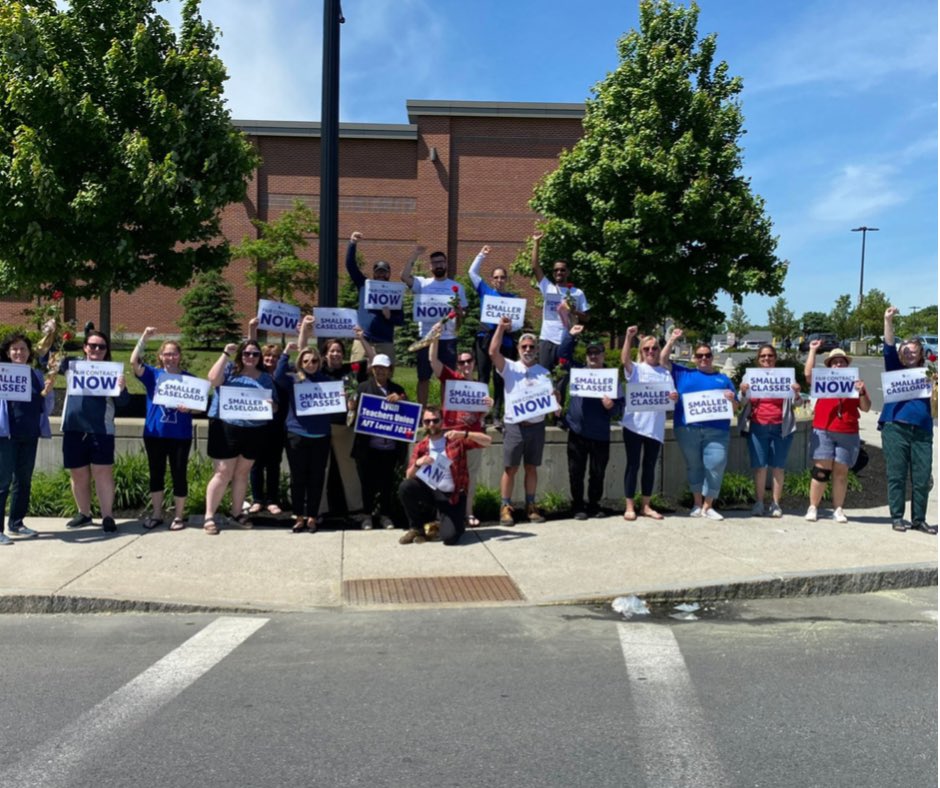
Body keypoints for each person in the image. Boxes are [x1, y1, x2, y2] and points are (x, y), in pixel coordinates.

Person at [301, 316, 374, 523]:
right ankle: (318, 510)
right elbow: (303, 358)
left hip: (345, 427)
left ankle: (357, 509)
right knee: (320, 469)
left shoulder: (351, 370)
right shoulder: (319, 370)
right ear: (324, 354)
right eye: (331, 351)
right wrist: (305, 332)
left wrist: (362, 339)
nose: (335, 354)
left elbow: (372, 361)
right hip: (321, 427)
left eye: (339, 351)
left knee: (349, 468)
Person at [660, 329, 737, 521]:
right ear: (694, 358)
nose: (704, 358)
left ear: (713, 357)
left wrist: (731, 399)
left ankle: (708, 505)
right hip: (687, 428)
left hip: (717, 430)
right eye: (700, 356)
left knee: (716, 464)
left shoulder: (723, 379)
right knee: (694, 466)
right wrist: (672, 340)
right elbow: (662, 360)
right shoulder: (683, 373)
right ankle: (696, 503)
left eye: (707, 355)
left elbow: (735, 406)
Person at [490, 316, 559, 526]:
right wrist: (501, 328)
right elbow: (493, 352)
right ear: (519, 349)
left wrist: (557, 401)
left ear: (537, 349)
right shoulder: (509, 367)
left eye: (531, 347)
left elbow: (553, 399)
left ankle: (531, 505)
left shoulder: (544, 373)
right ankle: (505, 506)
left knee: (531, 467)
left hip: (537, 427)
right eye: (524, 346)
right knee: (510, 468)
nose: (528, 350)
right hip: (514, 426)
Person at [203, 339, 277, 535]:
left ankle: (236, 514)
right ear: (240, 355)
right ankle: (209, 515)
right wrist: (225, 353)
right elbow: (213, 380)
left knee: (242, 473)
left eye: (255, 354)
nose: (250, 357)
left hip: (254, 430)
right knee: (222, 473)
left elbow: (275, 405)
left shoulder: (265, 378)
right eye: (246, 353)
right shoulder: (229, 370)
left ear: (260, 357)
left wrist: (272, 405)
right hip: (226, 427)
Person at [59, 330, 130, 533]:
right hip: (73, 428)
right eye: (92, 345)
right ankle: (84, 513)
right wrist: (51, 332)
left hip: (101, 429)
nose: (96, 349)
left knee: (103, 473)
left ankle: (108, 516)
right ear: (85, 347)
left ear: (106, 351)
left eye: (101, 346)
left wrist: (122, 388)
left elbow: (124, 402)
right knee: (78, 474)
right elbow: (46, 359)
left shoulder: (113, 371)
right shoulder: (71, 366)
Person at [398, 405, 493, 546]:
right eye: (427, 421)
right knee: (406, 486)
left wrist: (465, 434)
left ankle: (453, 523)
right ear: (423, 423)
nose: (431, 424)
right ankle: (417, 528)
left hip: (452, 496)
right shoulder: (422, 446)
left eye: (435, 420)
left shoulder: (455, 439)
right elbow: (408, 475)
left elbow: (487, 441)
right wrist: (418, 463)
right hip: (432, 493)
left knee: (449, 538)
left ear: (442, 421)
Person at [129, 327, 194, 531]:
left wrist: (190, 408)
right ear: (161, 356)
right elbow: (134, 362)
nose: (170, 357)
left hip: (180, 435)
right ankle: (157, 514)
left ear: (179, 356)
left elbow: (200, 407)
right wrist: (144, 338)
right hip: (155, 434)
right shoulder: (153, 375)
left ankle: (178, 516)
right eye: (167, 354)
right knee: (156, 473)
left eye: (174, 353)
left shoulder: (189, 379)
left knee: (179, 474)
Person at [803, 341, 871, 523]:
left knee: (841, 471)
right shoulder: (823, 379)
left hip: (847, 430)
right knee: (820, 471)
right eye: (835, 362)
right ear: (829, 365)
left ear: (847, 365)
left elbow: (866, 408)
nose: (838, 364)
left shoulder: (856, 383)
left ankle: (838, 508)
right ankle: (813, 507)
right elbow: (808, 375)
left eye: (842, 362)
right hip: (823, 428)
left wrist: (862, 392)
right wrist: (813, 350)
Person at [879, 307, 934, 533]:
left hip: (922, 430)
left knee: (922, 478)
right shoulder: (895, 368)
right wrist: (888, 320)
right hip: (895, 427)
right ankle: (897, 517)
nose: (910, 354)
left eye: (914, 351)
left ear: (921, 353)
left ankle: (919, 519)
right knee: (897, 475)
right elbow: (889, 346)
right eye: (907, 351)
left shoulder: (930, 373)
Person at [558, 325, 622, 519]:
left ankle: (594, 504)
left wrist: (611, 405)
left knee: (598, 472)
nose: (593, 356)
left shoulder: (612, 378)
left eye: (597, 353)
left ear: (603, 355)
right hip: (577, 431)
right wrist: (570, 336)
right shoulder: (578, 372)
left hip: (600, 433)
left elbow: (620, 408)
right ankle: (577, 505)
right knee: (575, 472)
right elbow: (562, 356)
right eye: (590, 353)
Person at [429, 336, 493, 527]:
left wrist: (490, 406)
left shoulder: (480, 387)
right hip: (450, 437)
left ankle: (468, 512)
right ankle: (442, 514)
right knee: (444, 476)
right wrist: (434, 339)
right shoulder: (450, 378)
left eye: (469, 361)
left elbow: (481, 416)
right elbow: (433, 361)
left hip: (471, 438)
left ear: (474, 363)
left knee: (470, 479)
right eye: (461, 362)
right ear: (457, 365)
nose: (465, 364)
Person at [0, 333, 55, 544]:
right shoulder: (2, 373)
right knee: (3, 482)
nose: (19, 353)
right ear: (7, 352)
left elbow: (45, 407)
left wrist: (49, 392)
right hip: (6, 435)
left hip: (30, 434)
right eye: (14, 349)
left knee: (23, 481)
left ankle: (17, 523)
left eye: (23, 349)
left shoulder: (36, 375)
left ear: (29, 352)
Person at [738, 344, 802, 518]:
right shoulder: (750, 376)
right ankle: (759, 503)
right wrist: (743, 392)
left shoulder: (785, 376)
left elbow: (797, 403)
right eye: (763, 356)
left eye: (770, 356)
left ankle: (775, 504)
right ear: (758, 359)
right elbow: (741, 402)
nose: (767, 359)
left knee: (778, 467)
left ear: (775, 358)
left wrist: (797, 393)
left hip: (782, 426)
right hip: (758, 425)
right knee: (759, 467)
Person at [275, 342, 333, 533]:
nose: (311, 364)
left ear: (319, 362)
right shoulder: (294, 380)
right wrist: (285, 354)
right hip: (297, 434)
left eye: (315, 360)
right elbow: (277, 376)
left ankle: (312, 517)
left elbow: (335, 404)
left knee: (316, 478)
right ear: (300, 362)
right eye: (306, 361)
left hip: (321, 436)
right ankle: (298, 516)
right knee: (298, 478)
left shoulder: (326, 382)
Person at [620, 326, 676, 521]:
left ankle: (646, 505)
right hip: (634, 426)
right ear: (641, 351)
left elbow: (670, 397)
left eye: (654, 348)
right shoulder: (636, 369)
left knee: (650, 466)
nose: (651, 351)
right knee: (633, 465)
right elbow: (624, 360)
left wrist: (673, 397)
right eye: (647, 349)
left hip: (655, 427)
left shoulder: (665, 373)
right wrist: (628, 337)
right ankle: (629, 506)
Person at [401, 246, 468, 406]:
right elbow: (404, 276)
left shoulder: (457, 287)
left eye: (441, 262)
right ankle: (422, 412)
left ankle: (445, 413)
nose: (438, 265)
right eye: (435, 263)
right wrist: (415, 254)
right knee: (423, 378)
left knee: (447, 379)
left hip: (448, 338)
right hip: (426, 338)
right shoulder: (422, 284)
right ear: (430, 266)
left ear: (446, 265)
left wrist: (459, 313)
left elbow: (462, 315)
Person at [350, 354, 408, 530]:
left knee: (387, 484)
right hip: (368, 447)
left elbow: (408, 415)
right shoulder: (363, 388)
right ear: (372, 369)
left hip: (390, 447)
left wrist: (401, 400)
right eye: (377, 368)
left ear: (390, 370)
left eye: (384, 368)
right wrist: (352, 406)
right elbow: (353, 415)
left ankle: (385, 515)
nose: (380, 371)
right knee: (367, 484)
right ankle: (367, 515)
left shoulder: (398, 389)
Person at [468, 244, 518, 424]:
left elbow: (516, 326)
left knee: (499, 378)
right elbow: (472, 273)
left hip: (504, 343)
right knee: (483, 377)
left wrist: (511, 327)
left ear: (506, 279)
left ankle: (497, 414)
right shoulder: (485, 291)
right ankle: (481, 414)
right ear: (492, 279)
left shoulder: (513, 299)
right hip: (484, 340)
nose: (499, 280)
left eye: (502, 277)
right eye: (496, 277)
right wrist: (482, 254)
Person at [529, 231, 589, 371]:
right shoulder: (548, 288)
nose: (559, 273)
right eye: (556, 270)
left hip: (566, 340)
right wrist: (536, 242)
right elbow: (535, 267)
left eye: (562, 270)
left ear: (568, 272)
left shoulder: (577, 293)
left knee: (562, 378)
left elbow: (587, 317)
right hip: (547, 340)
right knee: (545, 376)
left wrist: (574, 311)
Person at [346, 231, 403, 362]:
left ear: (389, 274)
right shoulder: (364, 284)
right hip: (362, 340)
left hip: (384, 343)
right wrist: (352, 243)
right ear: (374, 273)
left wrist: (390, 316)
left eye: (384, 272)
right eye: (378, 272)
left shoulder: (394, 292)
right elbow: (351, 266)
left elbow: (400, 319)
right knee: (357, 377)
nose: (381, 275)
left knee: (385, 378)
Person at [247, 330, 287, 516]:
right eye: (268, 355)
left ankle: (271, 500)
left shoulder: (285, 376)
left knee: (273, 464)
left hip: (277, 426)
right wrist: (251, 330)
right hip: (256, 426)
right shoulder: (256, 374)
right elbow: (247, 351)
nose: (271, 359)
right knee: (255, 464)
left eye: (275, 356)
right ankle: (257, 499)